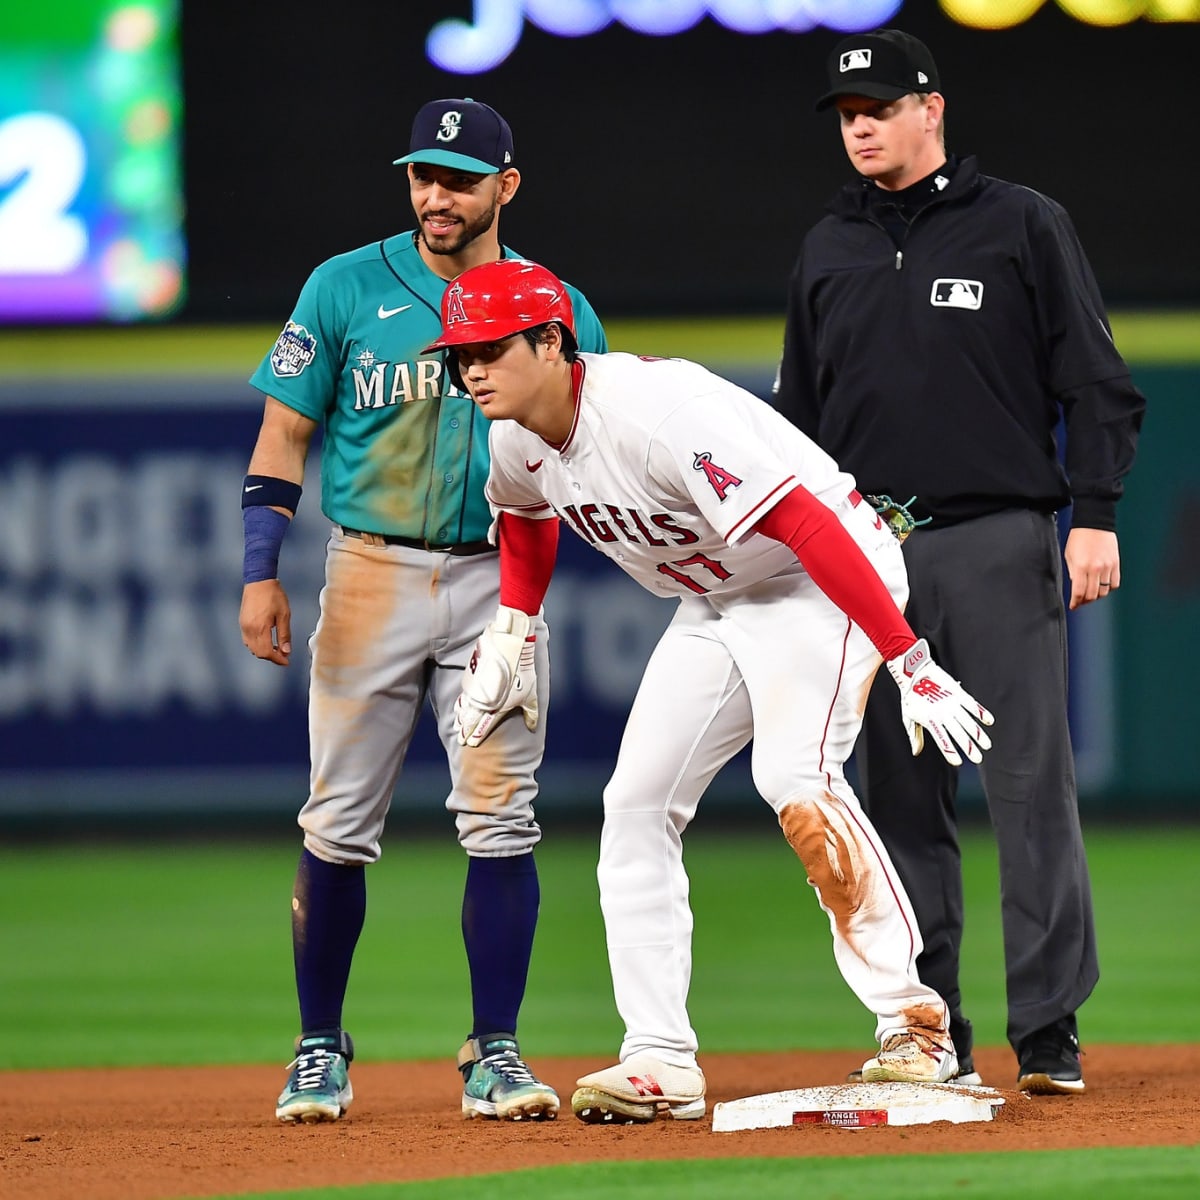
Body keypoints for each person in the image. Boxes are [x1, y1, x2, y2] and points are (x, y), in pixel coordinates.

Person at [422, 257, 996, 1125]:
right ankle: (659, 1059)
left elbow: (807, 521)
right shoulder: (513, 435)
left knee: (795, 779)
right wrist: (511, 628)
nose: (470, 370)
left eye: (489, 349)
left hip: (820, 575)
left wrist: (908, 659)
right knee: (635, 803)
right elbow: (526, 519)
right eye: (458, 354)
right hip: (718, 595)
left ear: (550, 340)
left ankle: (917, 1027)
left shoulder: (658, 418)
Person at [773, 28, 1146, 1095]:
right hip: (870, 561)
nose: (860, 125)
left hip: (998, 538)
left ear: (931, 108)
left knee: (1030, 788)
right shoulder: (825, 248)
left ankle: (1049, 1032)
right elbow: (797, 427)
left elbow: (1097, 382)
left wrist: (1096, 512)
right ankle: (931, 1027)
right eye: (848, 113)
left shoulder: (1021, 224)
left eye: (879, 107)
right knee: (900, 806)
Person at [239, 98, 607, 1124]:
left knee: (502, 819)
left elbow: (598, 442)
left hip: (500, 582)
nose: (435, 195)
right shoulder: (346, 285)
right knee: (338, 819)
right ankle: (319, 1046)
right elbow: (282, 434)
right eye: (421, 175)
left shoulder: (554, 301)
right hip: (370, 572)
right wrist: (259, 569)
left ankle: (495, 1051)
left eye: (457, 177)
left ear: (506, 186)